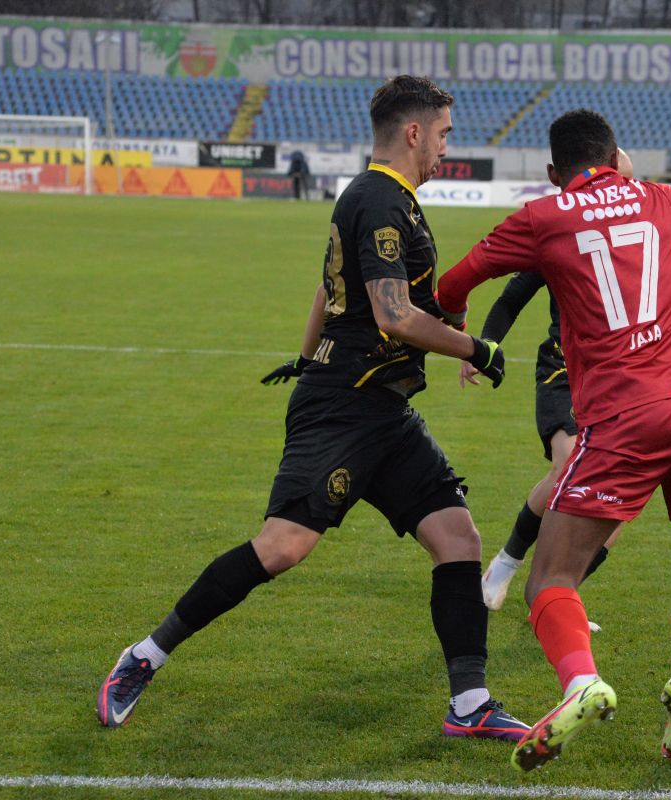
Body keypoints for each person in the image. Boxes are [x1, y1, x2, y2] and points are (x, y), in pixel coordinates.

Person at [98, 75, 529, 743]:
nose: (448, 145)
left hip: (382, 408)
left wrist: (305, 356)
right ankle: (142, 658)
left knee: (457, 537)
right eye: (443, 132)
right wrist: (477, 347)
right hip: (348, 407)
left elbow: (329, 289)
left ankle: (469, 704)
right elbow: (392, 315)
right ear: (414, 132)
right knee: (282, 547)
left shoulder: (390, 200)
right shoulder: (382, 199)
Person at [437, 109, 671, 770]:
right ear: (618, 158)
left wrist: (463, 320)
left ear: (553, 173)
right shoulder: (659, 198)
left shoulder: (543, 215)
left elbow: (453, 283)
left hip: (622, 417)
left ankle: (583, 683)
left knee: (552, 578)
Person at [464, 148, 636, 621]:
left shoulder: (645, 237)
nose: (618, 192)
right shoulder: (563, 234)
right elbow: (512, 296)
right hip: (565, 371)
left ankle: (558, 596)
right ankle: (503, 565)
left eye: (626, 184)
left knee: (618, 508)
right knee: (573, 474)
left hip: (622, 383)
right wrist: (486, 348)